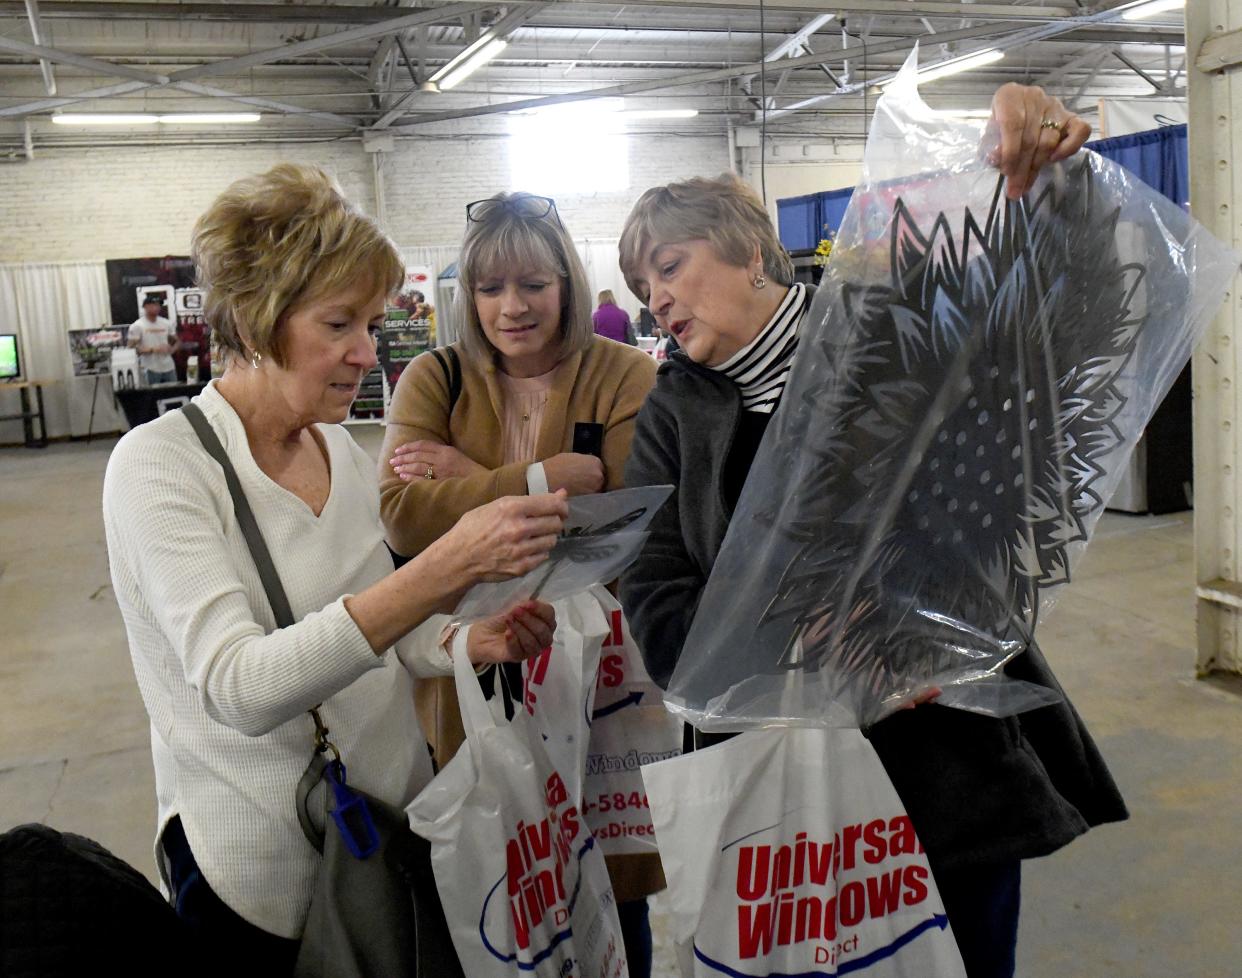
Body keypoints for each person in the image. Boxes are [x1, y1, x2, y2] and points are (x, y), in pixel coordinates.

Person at [617, 87, 1127, 978]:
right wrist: (799, 648)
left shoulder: (893, 327)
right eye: (640, 285)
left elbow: (1058, 340)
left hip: (941, 765)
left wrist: (1053, 180)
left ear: (745, 248)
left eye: (669, 264)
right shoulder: (671, 415)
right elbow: (656, 594)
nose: (655, 296)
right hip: (776, 792)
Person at [102, 164, 567, 974]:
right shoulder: (161, 468)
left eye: (372, 322)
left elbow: (383, 631)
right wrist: (440, 567)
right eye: (339, 325)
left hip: (393, 837)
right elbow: (239, 688)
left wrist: (464, 640)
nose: (366, 351)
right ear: (255, 320)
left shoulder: (340, 451)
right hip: (262, 877)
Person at [378, 191, 661, 977]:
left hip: (602, 674)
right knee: (498, 875)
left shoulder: (625, 373)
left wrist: (466, 480)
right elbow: (403, 519)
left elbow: (627, 520)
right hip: (474, 673)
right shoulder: (432, 378)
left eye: (533, 283)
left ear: (567, 283)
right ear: (467, 295)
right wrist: (548, 477)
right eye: (491, 287)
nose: (512, 306)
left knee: (610, 880)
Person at [129, 295, 179, 385]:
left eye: (158, 305)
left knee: (174, 394)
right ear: (145, 307)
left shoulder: (166, 323)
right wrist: (153, 349)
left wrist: (172, 350)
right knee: (152, 396)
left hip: (168, 366)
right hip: (150, 368)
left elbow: (177, 341)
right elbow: (131, 349)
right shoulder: (138, 326)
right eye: (153, 305)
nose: (156, 307)